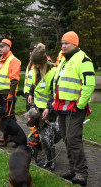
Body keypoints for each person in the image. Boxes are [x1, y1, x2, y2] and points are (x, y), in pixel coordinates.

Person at [52, 31, 95, 186]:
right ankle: (72, 169)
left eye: (66, 43)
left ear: (75, 44)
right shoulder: (64, 60)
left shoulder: (83, 60)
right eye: (62, 43)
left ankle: (81, 173)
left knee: (73, 140)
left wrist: (80, 105)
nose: (63, 46)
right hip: (62, 106)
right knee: (66, 138)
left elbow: (90, 84)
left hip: (75, 108)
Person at [28, 43, 56, 122]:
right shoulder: (35, 70)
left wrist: (48, 107)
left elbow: (53, 93)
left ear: (43, 63)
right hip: (38, 106)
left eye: (37, 64)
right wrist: (31, 94)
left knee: (49, 132)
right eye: (34, 64)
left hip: (48, 110)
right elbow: (34, 84)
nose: (36, 66)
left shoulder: (53, 72)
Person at [0, 39, 21, 121]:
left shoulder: (13, 61)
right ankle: (6, 132)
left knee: (9, 115)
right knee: (3, 115)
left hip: (7, 93)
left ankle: (13, 133)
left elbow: (14, 79)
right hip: (0, 92)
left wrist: (11, 94)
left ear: (8, 48)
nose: (0, 49)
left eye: (2, 47)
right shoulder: (0, 61)